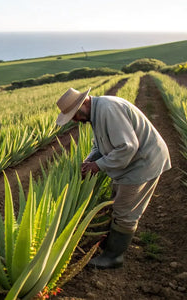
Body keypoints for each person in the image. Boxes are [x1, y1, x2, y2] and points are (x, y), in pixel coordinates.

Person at [55, 87, 171, 269]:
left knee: (125, 211)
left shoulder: (108, 109)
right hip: (131, 163)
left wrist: (98, 166)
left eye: (75, 115)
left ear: (84, 103)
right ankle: (111, 243)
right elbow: (100, 146)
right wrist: (89, 161)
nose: (76, 121)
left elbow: (128, 147)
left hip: (143, 162)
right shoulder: (97, 113)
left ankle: (114, 256)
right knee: (117, 199)